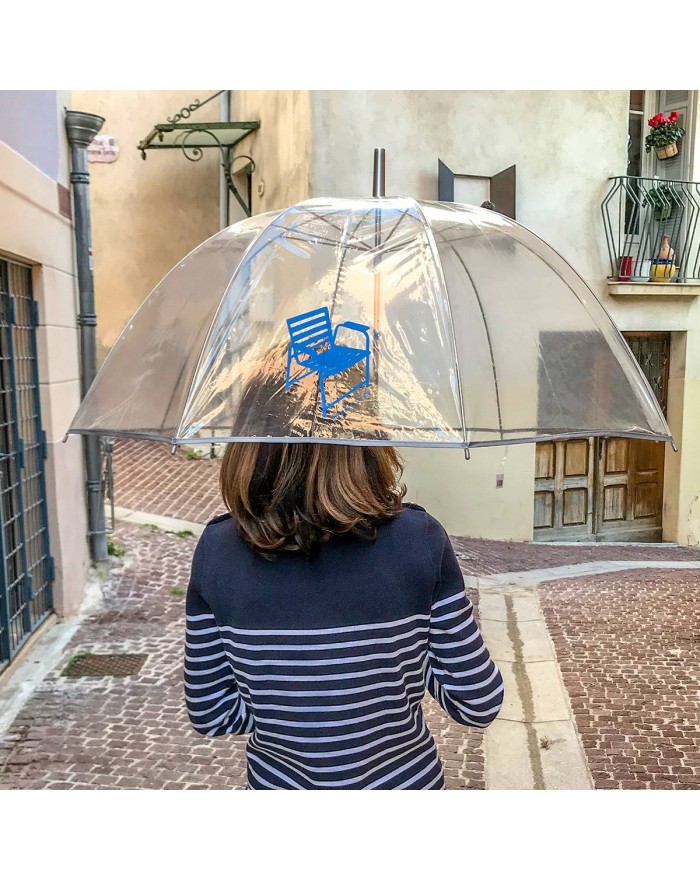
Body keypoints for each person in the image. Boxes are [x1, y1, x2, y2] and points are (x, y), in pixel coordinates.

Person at [184, 443, 504, 790]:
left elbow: (210, 712)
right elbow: (478, 701)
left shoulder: (216, 550)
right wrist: (406, 657)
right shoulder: (419, 538)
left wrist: (287, 711)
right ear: (366, 443)